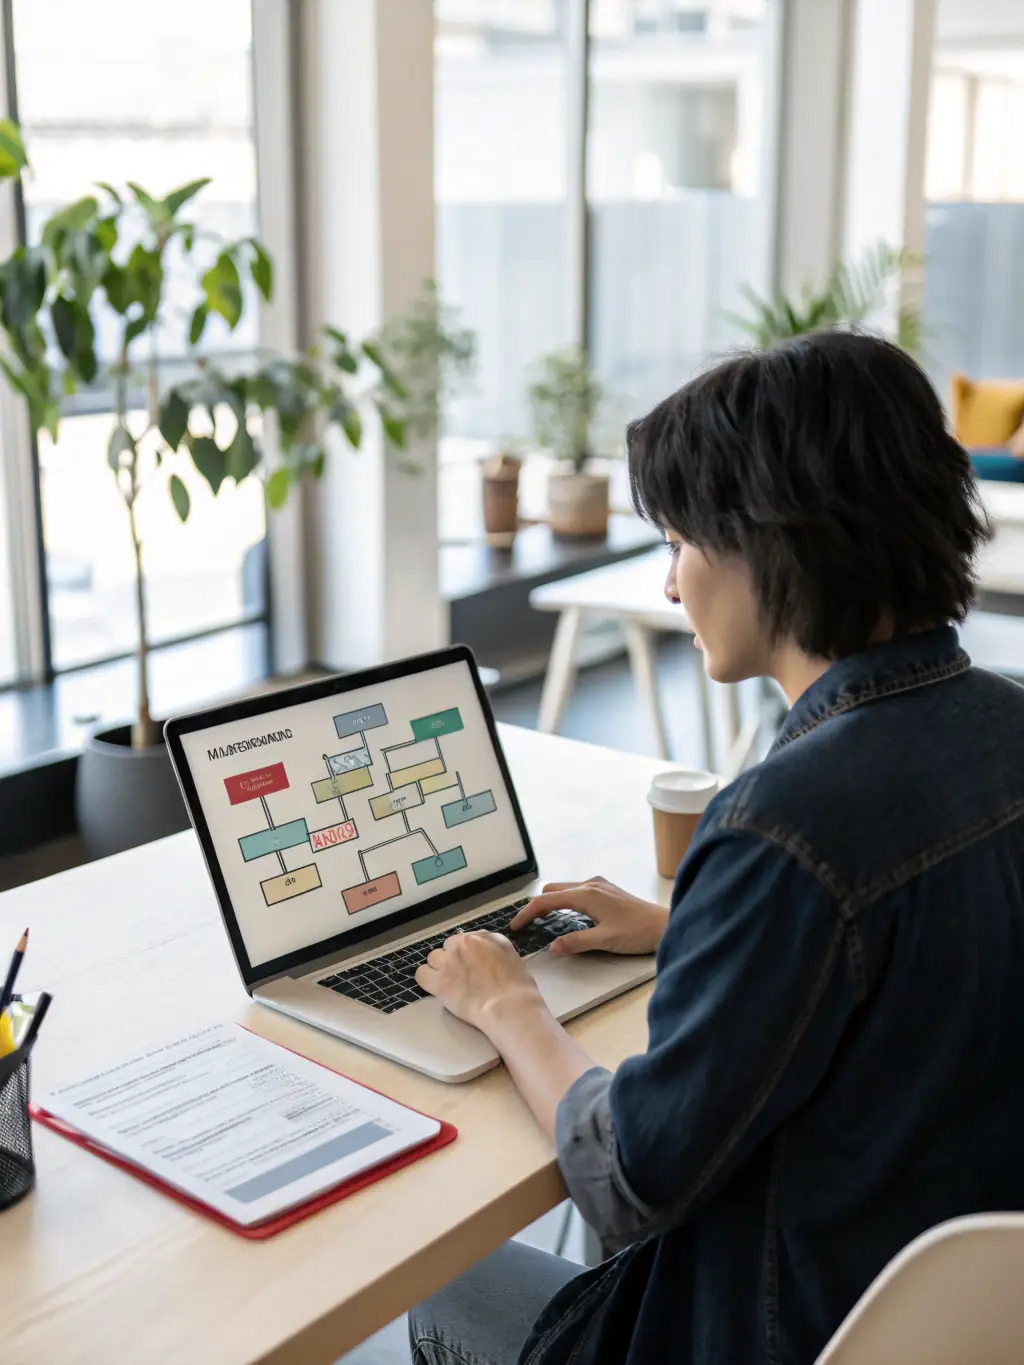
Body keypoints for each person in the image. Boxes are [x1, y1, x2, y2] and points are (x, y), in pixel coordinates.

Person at [409, 331, 1024, 1365]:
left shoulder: (784, 828)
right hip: (951, 1322)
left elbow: (625, 1180)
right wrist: (684, 926)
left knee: (446, 1290)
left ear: (768, 546)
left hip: (773, 1329)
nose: (668, 585)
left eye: (678, 544)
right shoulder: (1006, 727)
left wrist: (506, 1004)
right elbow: (911, 957)